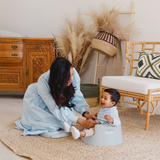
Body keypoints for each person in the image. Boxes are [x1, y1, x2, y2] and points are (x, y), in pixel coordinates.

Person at [15, 57, 98, 138]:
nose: (71, 79)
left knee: (66, 120)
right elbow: (55, 108)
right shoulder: (43, 82)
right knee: (52, 125)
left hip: (56, 99)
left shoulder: (73, 73)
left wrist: (85, 113)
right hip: (41, 101)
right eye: (67, 78)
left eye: (72, 75)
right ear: (59, 77)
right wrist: (82, 122)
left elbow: (76, 95)